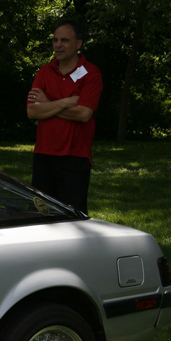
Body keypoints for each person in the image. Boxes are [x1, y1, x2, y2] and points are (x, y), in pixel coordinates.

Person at [26, 18, 102, 214]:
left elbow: (84, 114)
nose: (58, 45)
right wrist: (67, 102)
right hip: (43, 155)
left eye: (64, 40)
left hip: (75, 157)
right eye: (55, 40)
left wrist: (47, 104)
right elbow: (32, 111)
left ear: (78, 44)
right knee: (41, 215)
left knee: (71, 216)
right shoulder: (44, 72)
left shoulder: (91, 73)